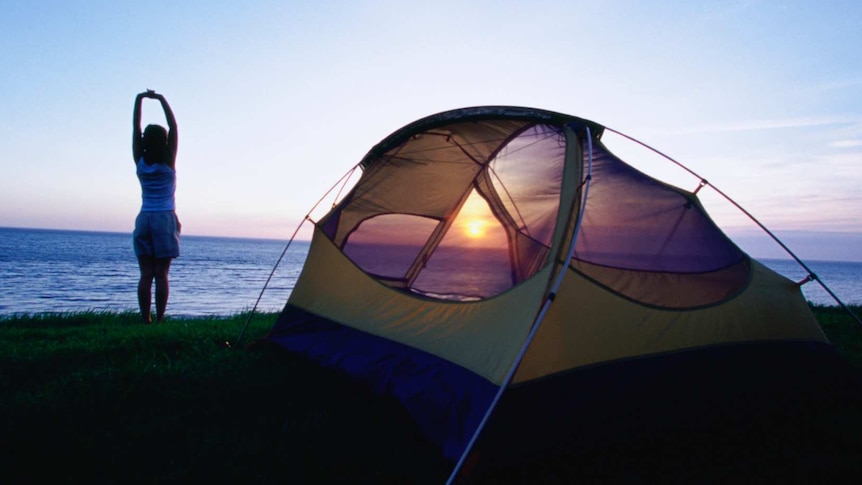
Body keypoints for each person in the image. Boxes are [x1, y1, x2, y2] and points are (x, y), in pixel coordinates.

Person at [132, 90, 180, 323]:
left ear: (144, 141)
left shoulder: (140, 160)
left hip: (144, 219)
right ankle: (160, 318)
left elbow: (135, 128)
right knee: (161, 274)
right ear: (164, 141)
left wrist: (140, 99)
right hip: (164, 218)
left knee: (146, 274)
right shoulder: (168, 158)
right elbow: (174, 127)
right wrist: (161, 99)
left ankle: (145, 319)